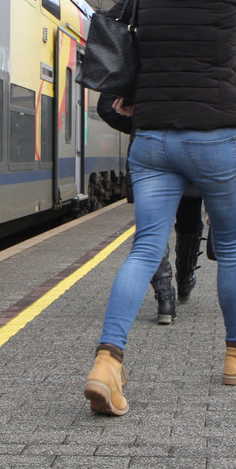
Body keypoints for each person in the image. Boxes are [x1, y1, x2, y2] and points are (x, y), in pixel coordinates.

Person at [84, 0, 236, 416]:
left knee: (145, 247)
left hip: (155, 134)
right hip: (216, 133)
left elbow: (122, 24)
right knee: (233, 248)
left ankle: (108, 363)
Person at [96, 93, 207, 324]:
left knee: (152, 231)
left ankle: (165, 301)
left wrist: (139, 121)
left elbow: (107, 107)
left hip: (149, 149)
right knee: (190, 221)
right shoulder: (200, 57)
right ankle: (185, 281)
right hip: (191, 148)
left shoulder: (139, 57)